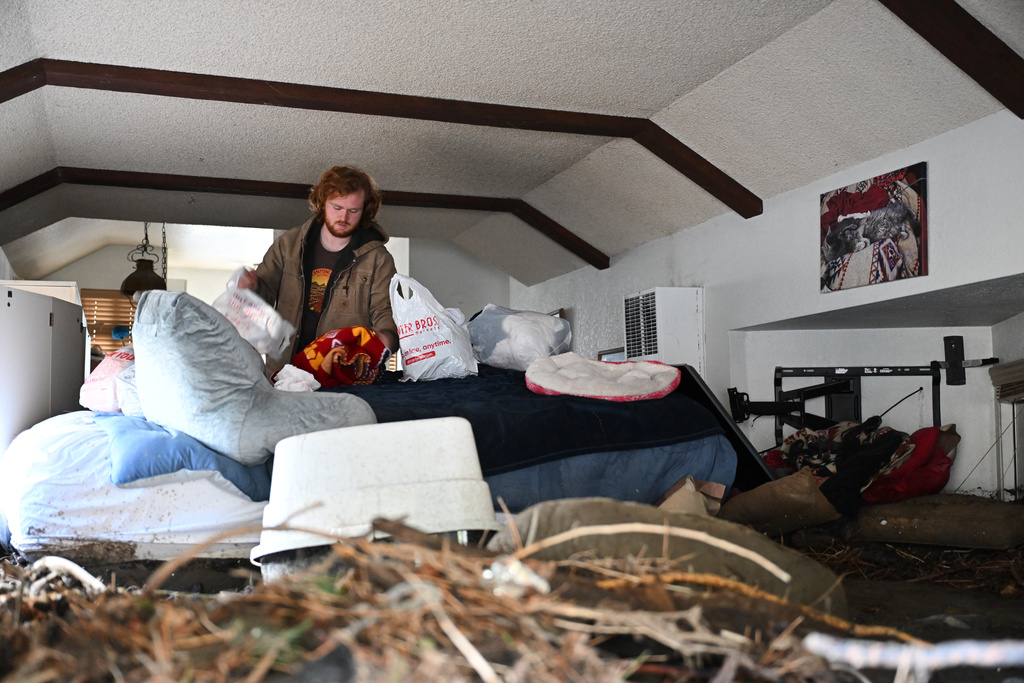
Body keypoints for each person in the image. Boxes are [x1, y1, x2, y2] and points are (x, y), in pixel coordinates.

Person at [240, 165, 399, 379]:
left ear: (365, 210)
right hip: (284, 373)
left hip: (344, 375)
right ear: (322, 203)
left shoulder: (379, 259)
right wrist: (249, 288)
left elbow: (386, 314)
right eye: (336, 207)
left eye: (353, 211)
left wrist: (385, 340)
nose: (343, 217)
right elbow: (263, 296)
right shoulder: (288, 245)